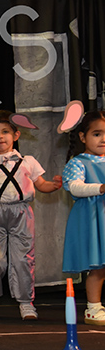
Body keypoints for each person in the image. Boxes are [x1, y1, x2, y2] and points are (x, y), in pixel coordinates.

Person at [0, 110, 62, 320]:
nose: (0, 137)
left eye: (5, 132)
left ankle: (26, 302)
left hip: (21, 212)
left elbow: (42, 185)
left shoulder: (28, 162)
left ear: (16, 135)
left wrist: (54, 185)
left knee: (24, 260)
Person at [62, 110, 105, 325]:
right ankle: (93, 308)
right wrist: (100, 188)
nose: (103, 139)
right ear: (82, 137)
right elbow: (75, 187)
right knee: (98, 267)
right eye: (97, 134)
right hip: (94, 219)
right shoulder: (78, 162)